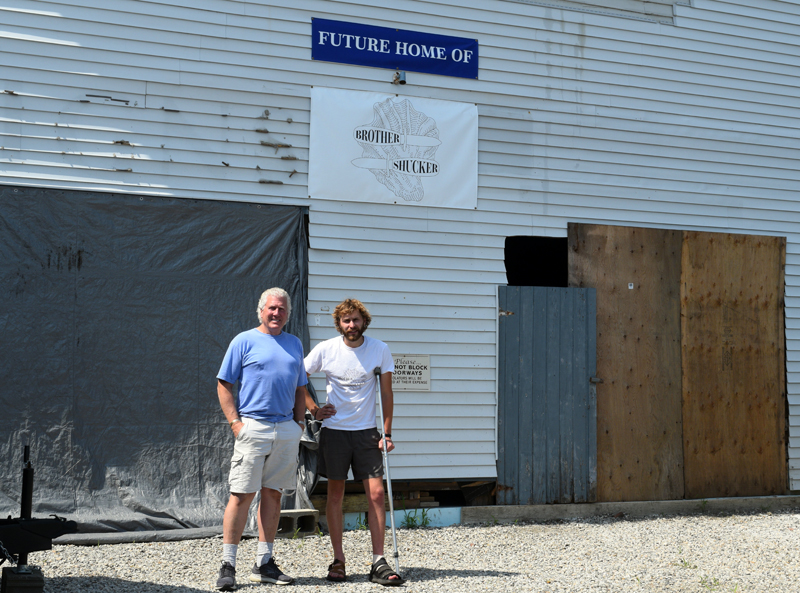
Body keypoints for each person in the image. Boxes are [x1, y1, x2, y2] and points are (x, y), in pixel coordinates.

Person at [304, 298, 405, 586]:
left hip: (366, 432)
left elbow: (386, 394)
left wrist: (386, 434)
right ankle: (339, 559)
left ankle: (378, 560)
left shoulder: (379, 349)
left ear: (364, 321)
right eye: (346, 320)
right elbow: (299, 376)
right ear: (339, 324)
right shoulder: (327, 349)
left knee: (375, 494)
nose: (352, 325)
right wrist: (314, 408)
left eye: (356, 320)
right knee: (336, 495)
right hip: (335, 431)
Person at [215, 287, 307, 590]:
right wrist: (236, 424)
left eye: (282, 309)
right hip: (253, 428)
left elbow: (299, 389)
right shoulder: (243, 341)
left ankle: (264, 563)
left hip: (285, 430)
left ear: (287, 314)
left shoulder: (294, 343)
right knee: (241, 495)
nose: (277, 313)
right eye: (272, 308)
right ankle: (228, 565)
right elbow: (224, 384)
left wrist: (298, 423)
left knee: (273, 495)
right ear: (261, 310)